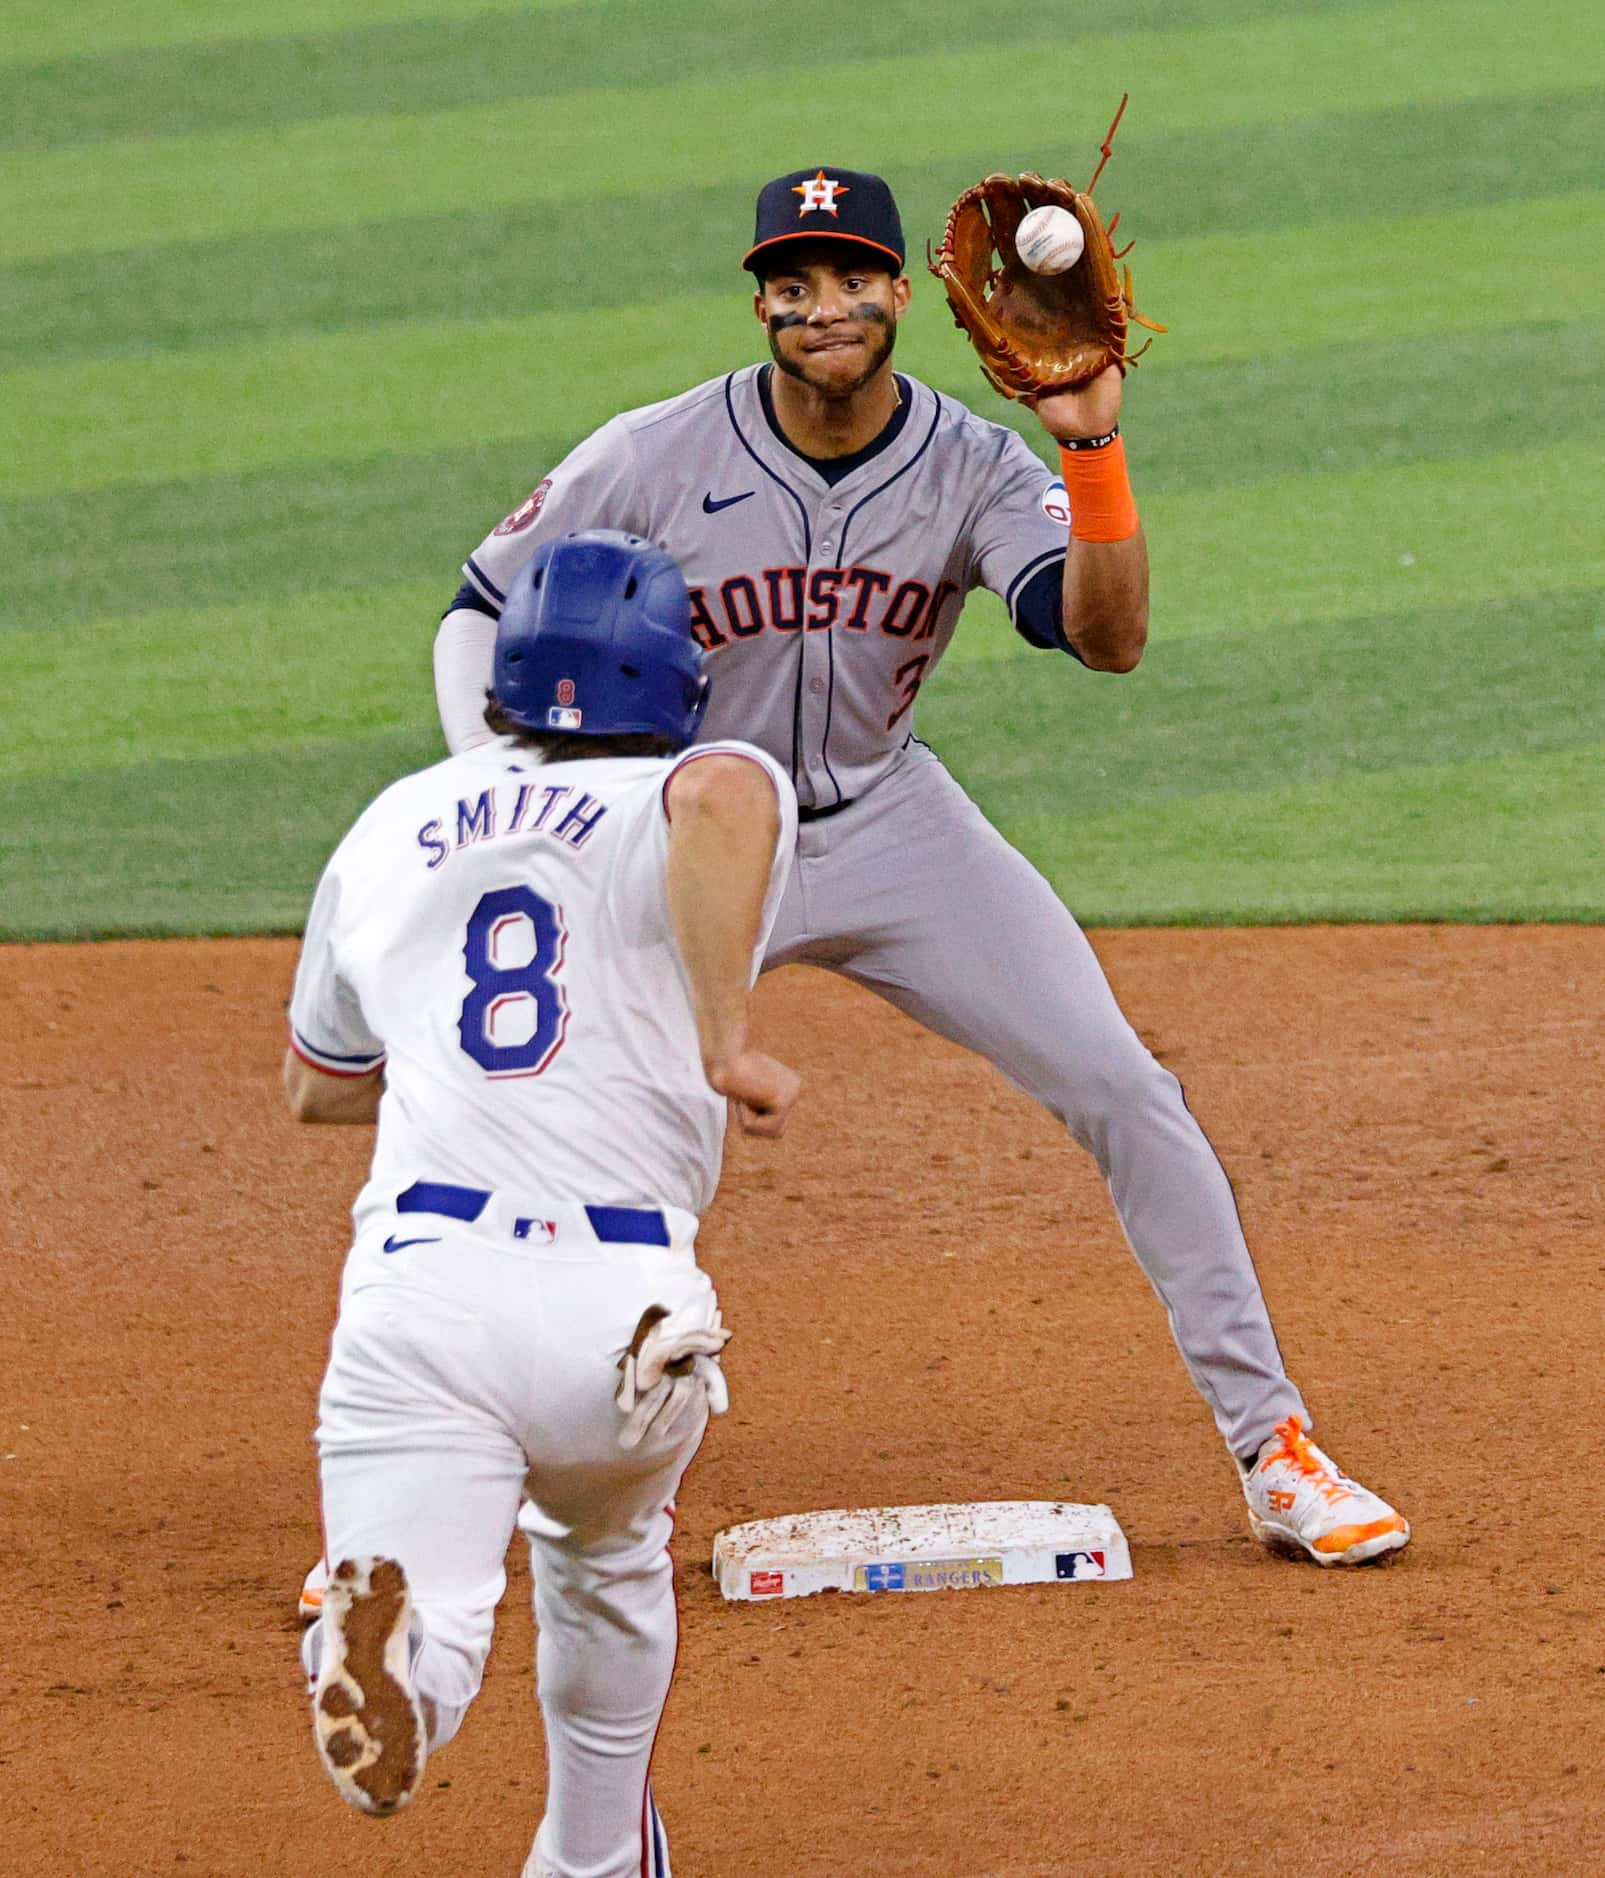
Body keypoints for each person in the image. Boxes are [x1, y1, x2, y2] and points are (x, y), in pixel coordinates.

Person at [429, 166, 1408, 1568]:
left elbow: (1109, 637)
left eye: (848, 279)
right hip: (695, 836)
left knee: (1126, 1086)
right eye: (792, 281)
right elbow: (477, 606)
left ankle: (1277, 1450)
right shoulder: (649, 453)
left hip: (895, 823)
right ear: (761, 297)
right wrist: (504, 792)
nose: (820, 307)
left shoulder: (973, 463)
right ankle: (445, 1499)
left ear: (906, 292)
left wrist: (1092, 447)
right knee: (568, 1134)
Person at [285, 528, 799, 1875]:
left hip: (420, 1289)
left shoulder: (393, 817)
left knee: (439, 1599)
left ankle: (404, 1651)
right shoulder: (690, 787)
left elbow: (315, 1085)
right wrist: (723, 1037)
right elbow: (730, 800)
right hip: (617, 1311)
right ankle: (591, 1859)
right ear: (676, 677)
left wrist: (455, 1066)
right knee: (609, 1555)